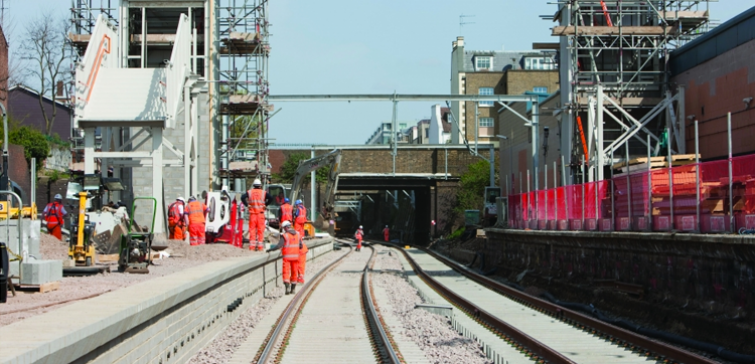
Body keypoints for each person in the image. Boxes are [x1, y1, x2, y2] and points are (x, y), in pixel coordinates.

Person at [268, 221, 301, 295]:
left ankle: (287, 287)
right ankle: (293, 289)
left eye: (283, 228)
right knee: (294, 272)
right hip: (296, 257)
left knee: (286, 272)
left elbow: (279, 245)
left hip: (287, 257)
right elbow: (301, 245)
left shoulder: (285, 235)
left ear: (286, 227)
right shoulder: (298, 234)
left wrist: (271, 249)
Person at [241, 179, 272, 251]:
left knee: (252, 230)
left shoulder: (250, 192)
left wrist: (247, 205)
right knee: (260, 231)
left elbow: (242, 197)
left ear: (253, 185)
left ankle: (252, 247)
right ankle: (260, 247)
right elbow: (271, 198)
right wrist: (265, 204)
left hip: (252, 215)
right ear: (260, 185)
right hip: (260, 215)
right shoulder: (263, 193)